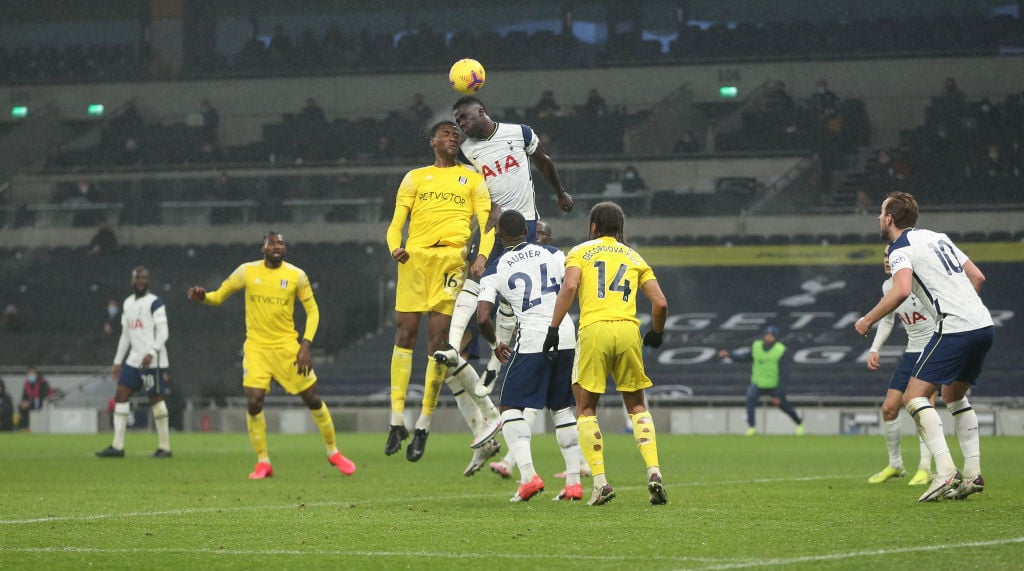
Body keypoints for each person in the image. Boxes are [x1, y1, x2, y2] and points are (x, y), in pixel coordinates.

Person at [855, 191, 994, 502]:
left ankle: (944, 471)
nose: (879, 218)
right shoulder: (937, 237)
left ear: (889, 218)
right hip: (983, 324)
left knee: (913, 397)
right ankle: (972, 474)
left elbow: (902, 290)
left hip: (955, 327)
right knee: (953, 395)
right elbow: (978, 276)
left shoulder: (898, 248)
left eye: (880, 213)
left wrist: (867, 320)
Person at [187, 231, 356, 479]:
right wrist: (204, 297)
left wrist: (305, 346)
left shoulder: (297, 276)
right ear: (263, 248)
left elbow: (313, 312)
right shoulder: (247, 271)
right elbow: (218, 296)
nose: (277, 246)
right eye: (272, 243)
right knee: (254, 402)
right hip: (256, 348)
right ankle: (263, 461)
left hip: (287, 347)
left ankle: (333, 452)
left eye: (281, 243)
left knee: (312, 398)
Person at [384, 120, 502, 470]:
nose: (454, 137)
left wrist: (481, 255)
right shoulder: (415, 177)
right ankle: (395, 421)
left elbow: (487, 224)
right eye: (447, 134)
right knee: (404, 335)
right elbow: (395, 223)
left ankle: (423, 425)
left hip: (451, 260)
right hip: (414, 259)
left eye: (457, 134)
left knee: (438, 347)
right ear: (433, 140)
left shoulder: (473, 178)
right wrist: (395, 247)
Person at [440, 95, 574, 391]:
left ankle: (493, 365)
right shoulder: (465, 151)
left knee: (511, 298)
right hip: (490, 227)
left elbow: (543, 162)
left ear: (481, 111)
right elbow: (467, 188)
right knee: (475, 281)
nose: (462, 124)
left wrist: (560, 193)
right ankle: (451, 345)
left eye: (465, 117)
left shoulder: (520, 133)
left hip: (523, 225)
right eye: (458, 121)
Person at [545, 201, 669, 506]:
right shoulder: (634, 256)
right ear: (620, 228)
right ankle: (653, 471)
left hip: (595, 330)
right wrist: (655, 333)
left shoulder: (580, 251)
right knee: (638, 405)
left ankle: (600, 483)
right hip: (628, 330)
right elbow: (661, 304)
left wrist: (553, 327)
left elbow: (570, 287)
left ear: (593, 227)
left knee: (586, 408)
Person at [476, 210, 585, 502]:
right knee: (561, 407)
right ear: (526, 230)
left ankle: (528, 477)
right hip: (565, 333)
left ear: (499, 235)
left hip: (534, 338)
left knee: (509, 407)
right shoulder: (553, 253)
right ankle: (573, 483)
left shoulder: (496, 269)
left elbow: (483, 317)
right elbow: (576, 285)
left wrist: (496, 343)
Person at [865, 245, 936, 486]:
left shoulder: (922, 282)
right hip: (910, 352)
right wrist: (875, 349)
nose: (887, 260)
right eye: (884, 256)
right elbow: (887, 321)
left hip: (932, 350)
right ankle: (895, 465)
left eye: (891, 256)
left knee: (921, 409)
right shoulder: (889, 287)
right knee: (889, 409)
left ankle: (925, 468)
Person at [96, 267, 173, 458]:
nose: (141, 281)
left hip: (152, 361)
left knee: (155, 400)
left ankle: (165, 447)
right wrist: (117, 362)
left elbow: (164, 332)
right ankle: (117, 446)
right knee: (120, 395)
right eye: (138, 278)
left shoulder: (155, 302)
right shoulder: (128, 303)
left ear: (148, 281)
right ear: (132, 281)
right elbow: (125, 335)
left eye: (144, 278)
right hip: (133, 359)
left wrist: (153, 351)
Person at [718, 326, 805, 436]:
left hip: (773, 384)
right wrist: (730, 355)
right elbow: (745, 357)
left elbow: (784, 373)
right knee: (750, 399)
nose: (768, 338)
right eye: (767, 335)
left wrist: (779, 392)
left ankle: (799, 423)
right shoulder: (756, 346)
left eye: (771, 336)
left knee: (783, 406)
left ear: (775, 338)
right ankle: (752, 427)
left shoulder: (781, 350)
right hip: (758, 383)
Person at [18, 366, 55, 431]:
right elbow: (24, 396)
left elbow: (44, 397)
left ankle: (31, 426)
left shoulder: (43, 382)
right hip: (32, 402)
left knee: (29, 406)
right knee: (21, 406)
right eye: (28, 373)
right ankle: (25, 427)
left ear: (36, 373)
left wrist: (29, 403)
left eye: (32, 372)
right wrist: (23, 402)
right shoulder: (27, 383)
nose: (30, 374)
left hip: (44, 402)